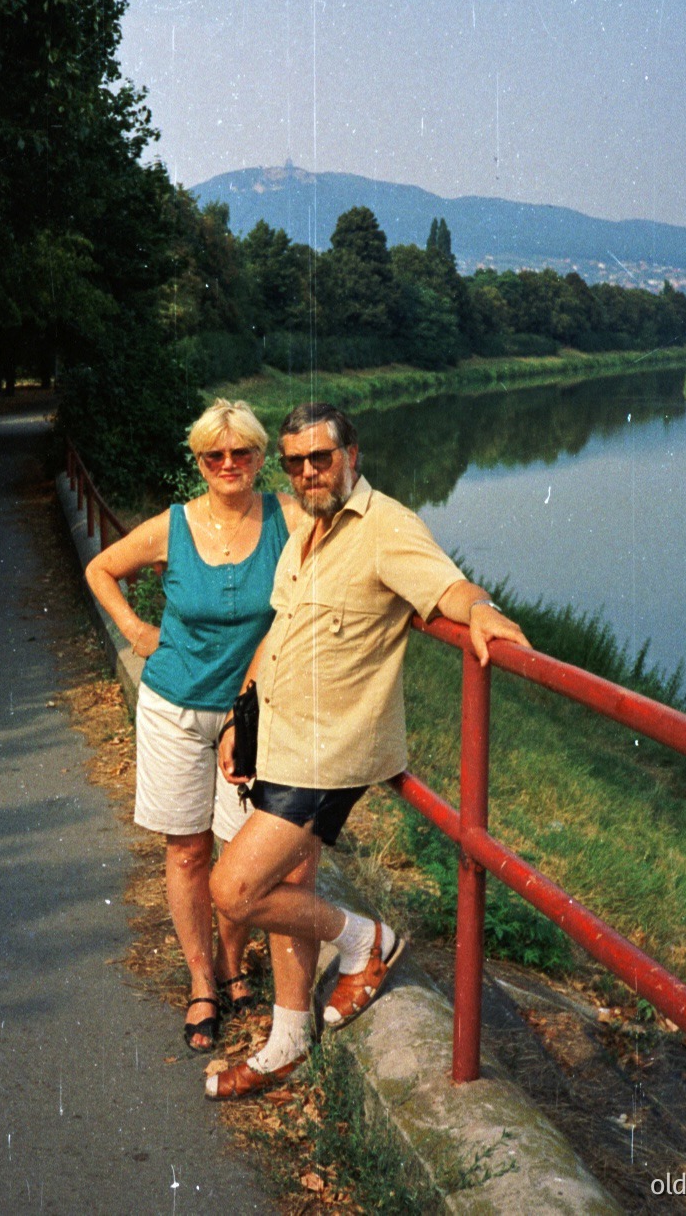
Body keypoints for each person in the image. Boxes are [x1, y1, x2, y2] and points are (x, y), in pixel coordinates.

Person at [206, 402, 531, 1098]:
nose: (307, 472)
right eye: (294, 463)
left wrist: (484, 612)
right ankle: (286, 1040)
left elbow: (448, 587)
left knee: (233, 888)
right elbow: (279, 635)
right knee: (288, 886)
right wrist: (241, 715)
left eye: (320, 457)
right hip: (282, 740)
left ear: (353, 454)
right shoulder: (304, 536)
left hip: (330, 752)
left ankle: (362, 940)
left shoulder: (386, 527)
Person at [85, 399, 302, 1051]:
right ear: (200, 461)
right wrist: (134, 629)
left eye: (243, 454)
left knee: (240, 852)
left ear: (262, 459)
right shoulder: (171, 527)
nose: (229, 465)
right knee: (187, 849)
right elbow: (101, 568)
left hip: (254, 714)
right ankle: (203, 978)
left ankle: (236, 963)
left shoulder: (287, 519)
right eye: (215, 455)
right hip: (175, 707)